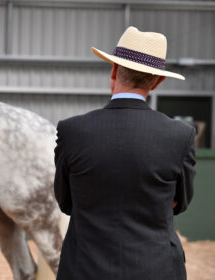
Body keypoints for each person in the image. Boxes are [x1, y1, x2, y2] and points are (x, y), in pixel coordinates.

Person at [54, 26, 196, 280]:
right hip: (156, 269)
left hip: (85, 269)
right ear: (158, 80)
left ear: (114, 70)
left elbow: (66, 202)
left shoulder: (71, 131)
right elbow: (180, 203)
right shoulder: (180, 136)